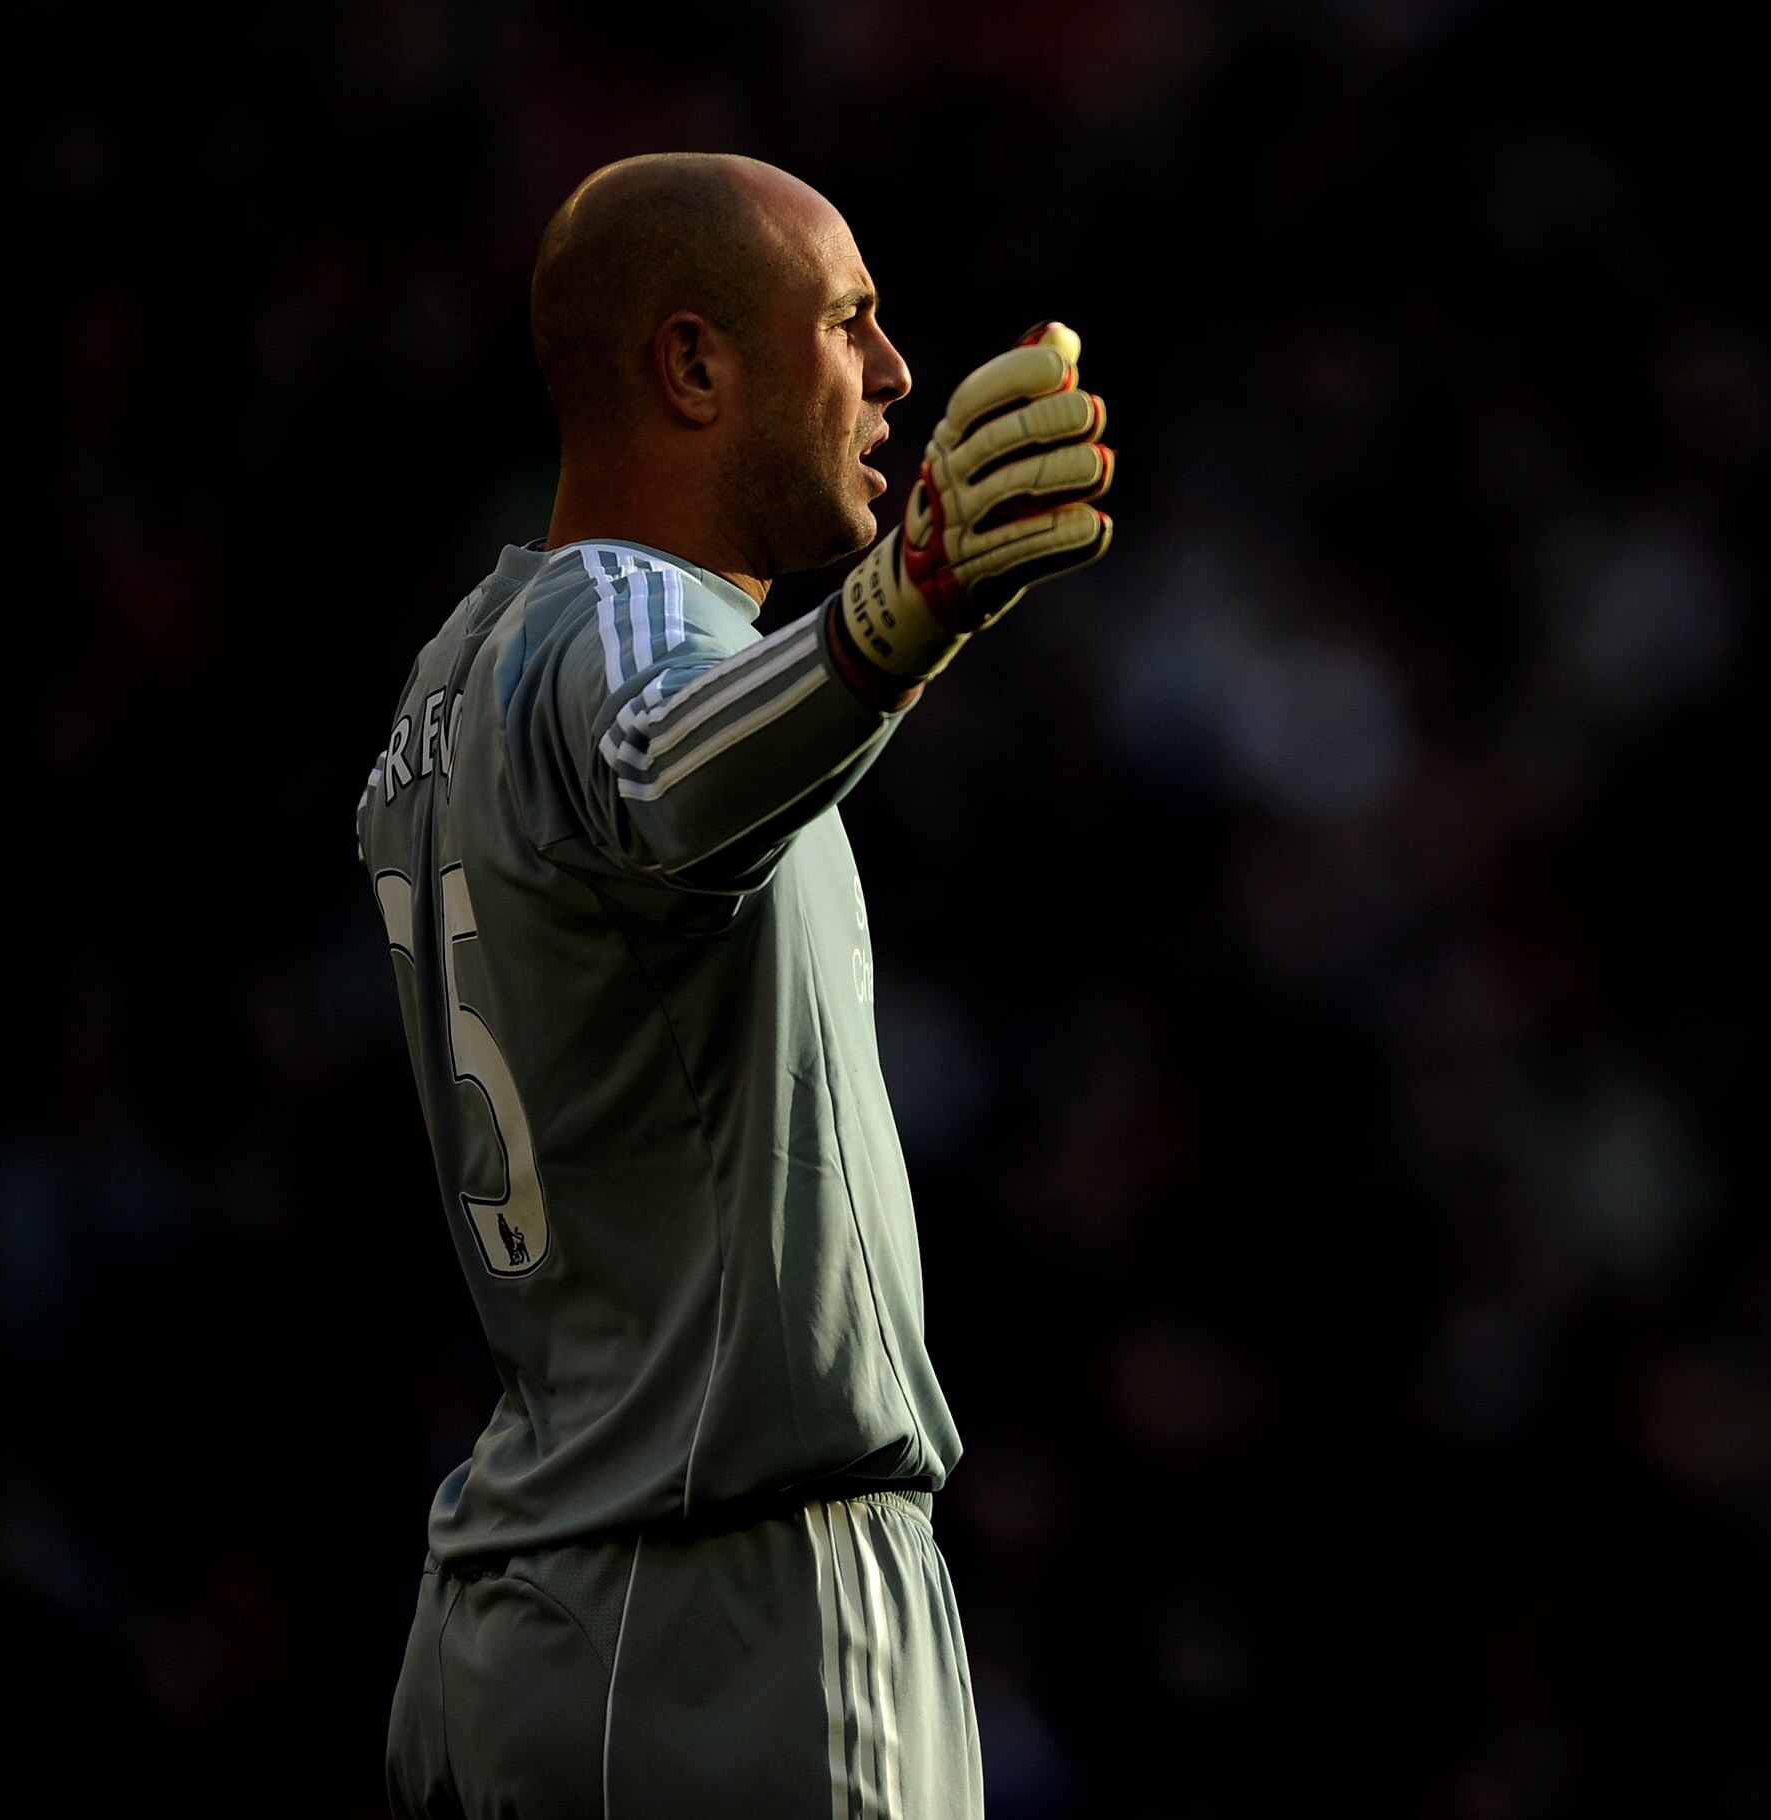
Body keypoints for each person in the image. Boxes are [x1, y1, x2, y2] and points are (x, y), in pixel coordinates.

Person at [356, 150, 1115, 1819]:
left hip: (522, 1597)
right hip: (731, 1616)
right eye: (849, 322)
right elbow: (665, 773)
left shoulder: (451, 679)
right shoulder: (629, 615)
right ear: (694, 367)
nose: (898, 374)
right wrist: (907, 607)